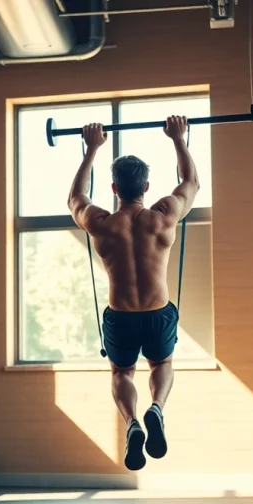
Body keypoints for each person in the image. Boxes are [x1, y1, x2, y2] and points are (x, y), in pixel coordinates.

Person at [66, 116, 200, 471]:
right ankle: (156, 409)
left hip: (121, 315)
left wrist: (91, 148)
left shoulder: (102, 223)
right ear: (147, 186)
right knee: (162, 363)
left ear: (114, 188)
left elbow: (75, 198)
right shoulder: (163, 215)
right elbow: (191, 182)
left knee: (121, 373)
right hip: (158, 312)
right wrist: (178, 138)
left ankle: (133, 422)